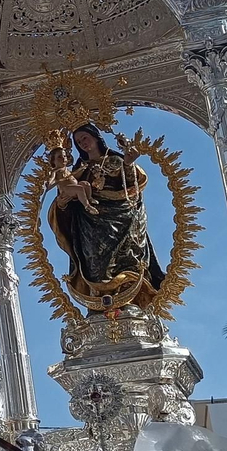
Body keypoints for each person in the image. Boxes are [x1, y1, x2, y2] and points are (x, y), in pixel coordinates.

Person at [47, 123, 165, 311]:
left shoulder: (115, 160)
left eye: (85, 138)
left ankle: (130, 299)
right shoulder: (79, 170)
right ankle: (101, 302)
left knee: (127, 259)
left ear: (95, 137)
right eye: (78, 142)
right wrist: (61, 203)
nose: (83, 143)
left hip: (122, 217)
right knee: (95, 262)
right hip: (90, 225)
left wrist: (128, 163)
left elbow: (133, 186)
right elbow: (67, 198)